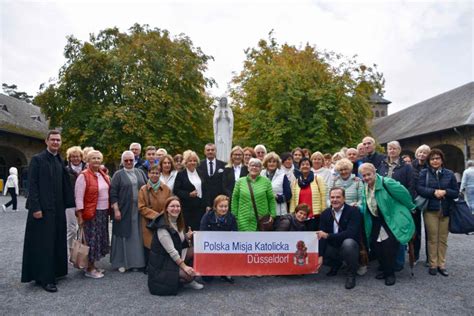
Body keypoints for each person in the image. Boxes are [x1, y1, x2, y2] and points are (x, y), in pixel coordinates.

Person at [21, 130, 75, 293]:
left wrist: (69, 204)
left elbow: (65, 183)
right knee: (44, 244)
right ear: (46, 141)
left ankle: (56, 272)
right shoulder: (38, 160)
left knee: (56, 240)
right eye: (53, 140)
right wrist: (35, 208)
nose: (55, 142)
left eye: (58, 140)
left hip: (57, 209)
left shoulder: (59, 160)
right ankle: (45, 279)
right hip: (42, 210)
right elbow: (33, 185)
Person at [359, 163, 415, 286]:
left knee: (389, 246)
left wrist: (411, 207)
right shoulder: (365, 186)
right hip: (376, 219)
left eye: (369, 174)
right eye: (364, 176)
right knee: (377, 246)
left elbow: (404, 194)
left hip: (391, 218)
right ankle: (385, 270)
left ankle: (390, 274)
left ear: (374, 172)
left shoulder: (387, 182)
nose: (367, 177)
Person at [148, 196, 203, 295]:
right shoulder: (162, 228)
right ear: (166, 209)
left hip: (171, 258)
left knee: (196, 251)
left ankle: (182, 277)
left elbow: (177, 240)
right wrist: (185, 267)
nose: (175, 208)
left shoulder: (177, 221)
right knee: (189, 275)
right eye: (172, 206)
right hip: (163, 263)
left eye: (178, 206)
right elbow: (172, 251)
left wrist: (187, 236)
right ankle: (184, 279)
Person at [416, 149, 459, 277]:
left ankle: (442, 264)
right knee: (432, 238)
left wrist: (445, 192)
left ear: (442, 160)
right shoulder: (424, 173)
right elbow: (420, 188)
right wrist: (433, 192)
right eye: (432, 159)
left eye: (437, 158)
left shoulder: (449, 174)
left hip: (445, 210)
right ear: (429, 161)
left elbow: (456, 192)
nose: (435, 161)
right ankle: (433, 264)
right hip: (430, 210)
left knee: (443, 239)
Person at [378, 140, 415, 271]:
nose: (392, 151)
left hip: (399, 206)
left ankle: (398, 263)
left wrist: (406, 204)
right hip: (383, 205)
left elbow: (411, 187)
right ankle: (385, 262)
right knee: (384, 234)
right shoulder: (381, 165)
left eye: (394, 148)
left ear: (399, 150)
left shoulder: (407, 167)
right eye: (389, 148)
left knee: (398, 233)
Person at [74, 150, 110, 279]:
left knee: (99, 238)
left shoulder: (102, 174)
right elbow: (78, 197)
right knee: (91, 240)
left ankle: (93, 264)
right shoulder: (83, 176)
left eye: (98, 158)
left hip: (103, 212)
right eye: (93, 158)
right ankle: (89, 268)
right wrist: (79, 215)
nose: (96, 160)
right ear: (87, 160)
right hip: (91, 213)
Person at [110, 150, 148, 273]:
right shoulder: (118, 175)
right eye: (126, 160)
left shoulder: (140, 172)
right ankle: (122, 262)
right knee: (123, 235)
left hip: (139, 211)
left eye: (131, 160)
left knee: (137, 236)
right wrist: (116, 210)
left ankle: (137, 263)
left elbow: (147, 187)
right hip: (124, 210)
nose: (128, 162)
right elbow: (113, 193)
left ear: (134, 160)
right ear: (122, 161)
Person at [317, 187, 361, 289]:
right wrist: (320, 256)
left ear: (344, 198)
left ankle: (351, 274)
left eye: (338, 197)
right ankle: (336, 264)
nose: (335, 200)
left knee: (348, 243)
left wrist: (328, 236)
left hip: (349, 244)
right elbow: (322, 236)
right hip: (333, 245)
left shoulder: (353, 211)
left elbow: (351, 233)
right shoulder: (325, 213)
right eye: (332, 197)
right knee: (321, 248)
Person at [138, 165, 171, 271]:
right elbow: (141, 207)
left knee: (162, 242)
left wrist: (163, 215)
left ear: (160, 174)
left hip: (163, 220)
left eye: (157, 173)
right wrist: (156, 215)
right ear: (148, 174)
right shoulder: (143, 189)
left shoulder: (166, 189)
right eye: (152, 172)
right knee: (149, 244)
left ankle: (161, 266)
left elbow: (170, 204)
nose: (154, 175)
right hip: (148, 221)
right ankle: (149, 267)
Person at [200, 195, 237, 283]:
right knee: (207, 279)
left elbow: (235, 233)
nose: (224, 209)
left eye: (226, 206)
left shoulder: (231, 217)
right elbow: (202, 232)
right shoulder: (207, 216)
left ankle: (225, 272)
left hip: (225, 246)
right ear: (215, 207)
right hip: (210, 246)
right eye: (221, 206)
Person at [232, 158, 276, 231]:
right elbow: (235, 199)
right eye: (252, 165)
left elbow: (271, 199)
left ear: (261, 169)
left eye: (257, 166)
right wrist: (234, 216)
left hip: (260, 220)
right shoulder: (240, 181)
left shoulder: (266, 181)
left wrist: (272, 214)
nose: (254, 167)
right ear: (248, 167)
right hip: (242, 220)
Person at [289, 157, 327, 231]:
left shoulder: (317, 178)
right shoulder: (296, 181)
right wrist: (292, 212)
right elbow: (293, 198)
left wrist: (323, 210)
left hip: (314, 215)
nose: (305, 166)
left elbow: (323, 195)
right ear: (299, 167)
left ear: (310, 166)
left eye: (307, 164)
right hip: (300, 216)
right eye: (303, 164)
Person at [173, 150, 208, 231]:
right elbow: (176, 190)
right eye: (190, 161)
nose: (193, 163)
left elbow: (206, 190)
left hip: (200, 208)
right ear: (186, 162)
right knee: (188, 230)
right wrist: (188, 194)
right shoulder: (181, 174)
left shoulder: (201, 173)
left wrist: (207, 204)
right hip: (187, 208)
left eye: (195, 161)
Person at [64, 146, 86, 258]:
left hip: (85, 202)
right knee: (72, 229)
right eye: (73, 156)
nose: (75, 158)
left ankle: (82, 253)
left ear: (81, 157)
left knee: (83, 227)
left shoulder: (87, 169)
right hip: (70, 202)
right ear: (69, 158)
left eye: (77, 156)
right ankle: (71, 253)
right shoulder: (65, 170)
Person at [412, 144, 431, 264]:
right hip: (415, 200)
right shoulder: (410, 166)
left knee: (430, 230)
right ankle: (416, 255)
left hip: (428, 200)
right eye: (420, 152)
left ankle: (430, 258)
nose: (422, 154)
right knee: (416, 229)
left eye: (425, 152)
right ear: (417, 153)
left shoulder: (431, 166)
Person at [261, 152, 292, 224]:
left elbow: (288, 195)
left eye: (274, 162)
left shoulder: (282, 175)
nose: (272, 164)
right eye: (269, 162)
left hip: (279, 211)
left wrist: (277, 197)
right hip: (264, 211)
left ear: (277, 163)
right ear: (266, 163)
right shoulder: (261, 174)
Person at [198, 143, 225, 211]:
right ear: (205, 151)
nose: (210, 151)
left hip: (219, 199)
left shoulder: (223, 165)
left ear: (215, 151)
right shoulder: (199, 165)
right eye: (208, 150)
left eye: (212, 150)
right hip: (203, 200)